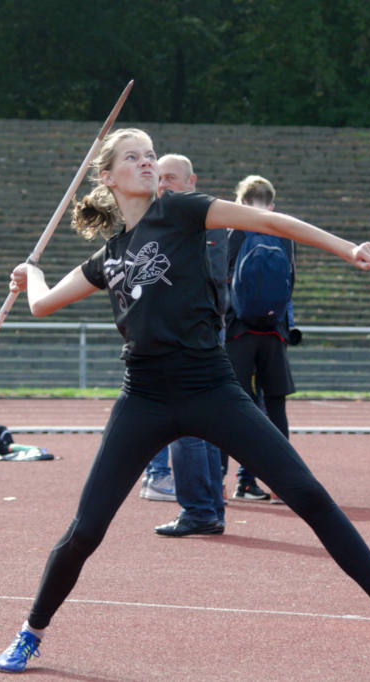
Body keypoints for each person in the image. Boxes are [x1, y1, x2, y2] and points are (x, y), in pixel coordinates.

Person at [0, 128, 370, 672]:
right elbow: (42, 305)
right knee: (86, 530)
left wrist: (346, 248)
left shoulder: (183, 212)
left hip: (211, 386)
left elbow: (267, 221)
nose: (147, 163)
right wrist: (31, 274)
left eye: (151, 155)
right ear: (108, 176)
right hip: (143, 397)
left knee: (306, 494)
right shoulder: (110, 256)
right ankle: (32, 631)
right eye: (134, 157)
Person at [151, 153, 227, 537]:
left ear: (191, 181)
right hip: (194, 333)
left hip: (191, 337)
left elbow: (208, 281)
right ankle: (209, 508)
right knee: (204, 427)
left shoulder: (199, 221)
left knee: (187, 427)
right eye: (159, 179)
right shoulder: (175, 221)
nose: (163, 185)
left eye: (172, 179)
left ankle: (200, 509)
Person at [224, 175, 297, 501]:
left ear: (239, 203)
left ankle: (222, 483)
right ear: (271, 204)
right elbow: (290, 282)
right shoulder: (285, 234)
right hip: (273, 331)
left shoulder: (234, 232)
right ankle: (278, 481)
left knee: (229, 406)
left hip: (237, 330)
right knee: (276, 407)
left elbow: (221, 279)